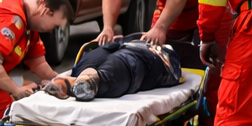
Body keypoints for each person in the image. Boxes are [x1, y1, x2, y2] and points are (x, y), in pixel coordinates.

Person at [45, 38, 183, 100]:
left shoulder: (167, 56)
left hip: (136, 55)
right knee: (108, 72)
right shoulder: (166, 54)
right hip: (123, 51)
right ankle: (81, 82)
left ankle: (77, 83)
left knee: (106, 69)